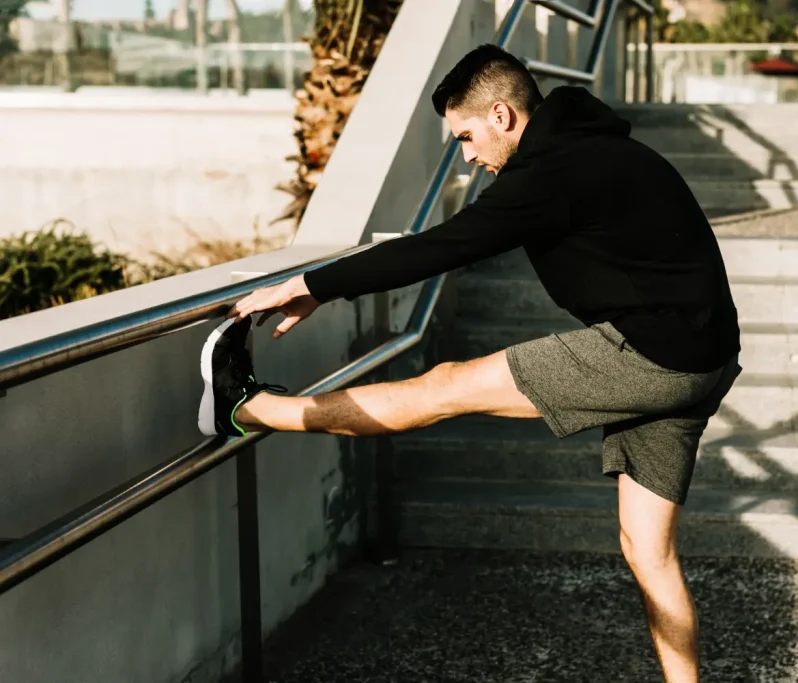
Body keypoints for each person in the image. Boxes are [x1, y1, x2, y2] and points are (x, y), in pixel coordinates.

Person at [198, 44, 741, 683]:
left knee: (445, 386)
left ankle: (247, 408)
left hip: (654, 353)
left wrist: (314, 284)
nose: (467, 156)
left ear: (503, 116)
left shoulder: (552, 172)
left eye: (465, 136)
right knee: (648, 551)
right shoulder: (597, 149)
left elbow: (443, 247)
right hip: (700, 357)